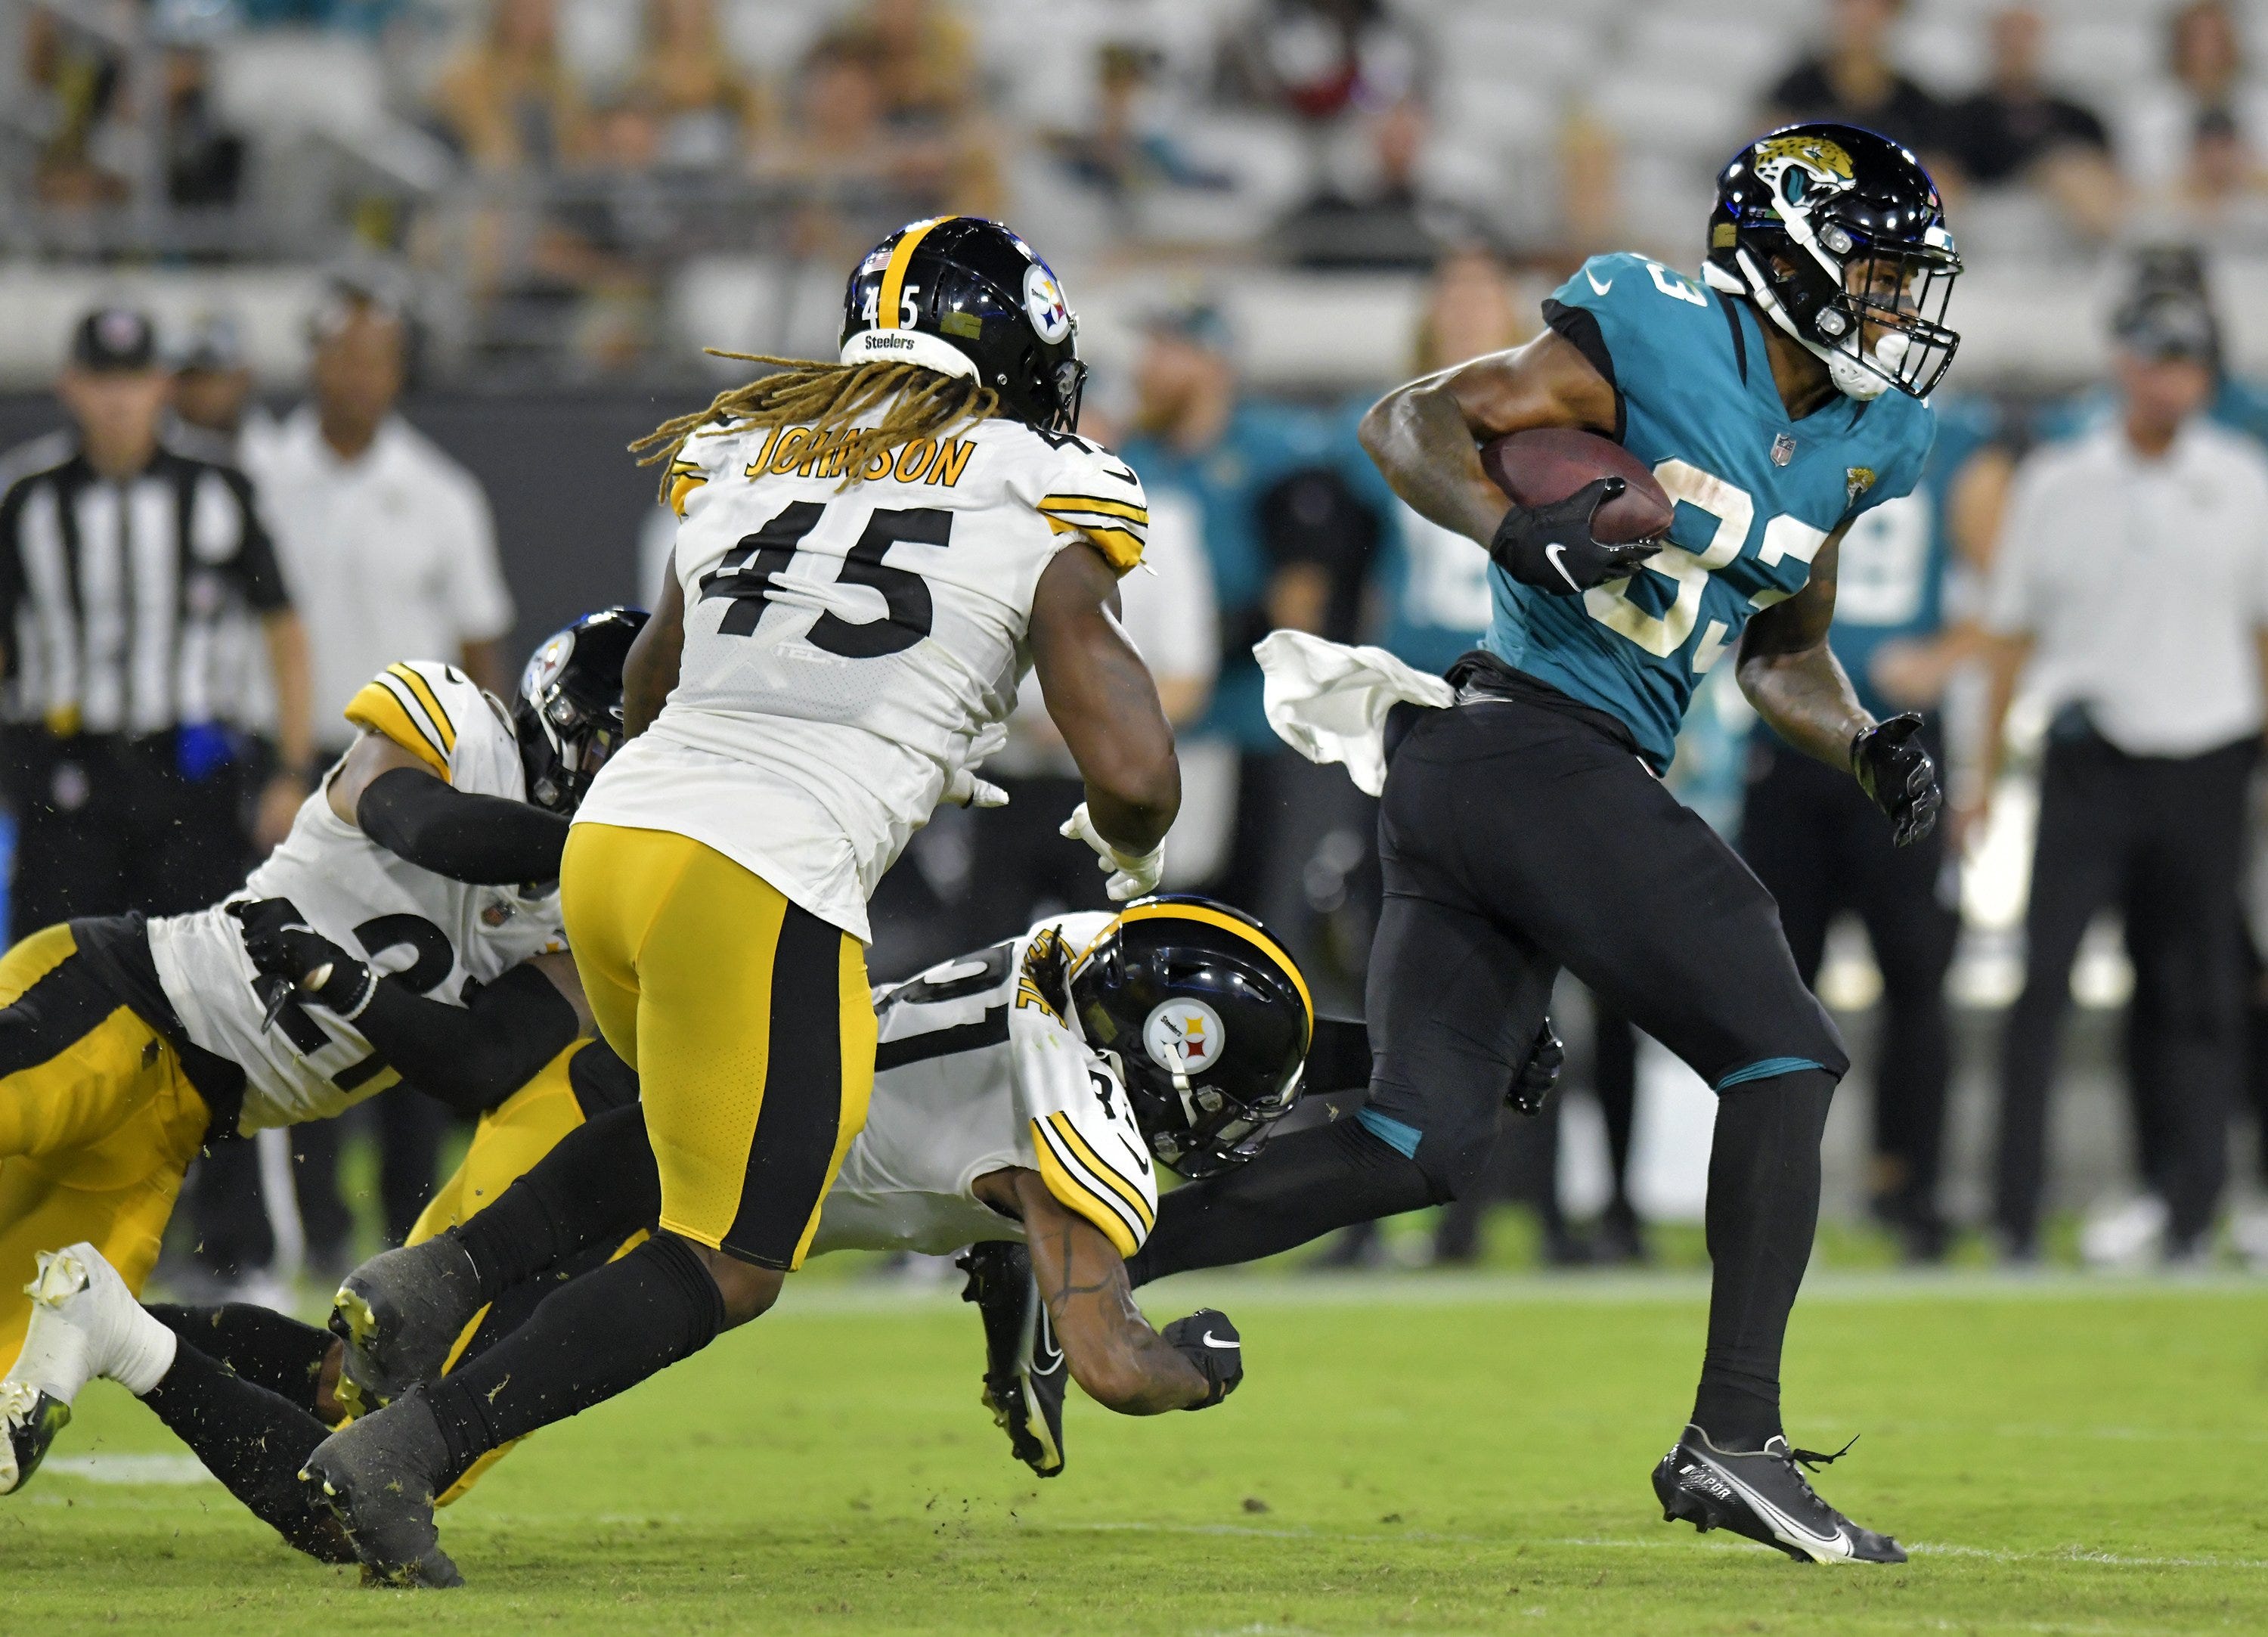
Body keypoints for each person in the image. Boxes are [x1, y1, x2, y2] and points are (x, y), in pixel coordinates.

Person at [296, 215, 1182, 1587]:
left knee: (691, 1127)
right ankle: (410, 1448)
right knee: (740, 1252)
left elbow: (654, 674)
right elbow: (1129, 764)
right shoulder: (1036, 479)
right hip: (759, 873)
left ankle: (449, 1272)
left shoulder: (753, 447)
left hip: (619, 846)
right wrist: (1132, 844)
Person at [1126, 125, 1958, 1564]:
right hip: (1528, 745)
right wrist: (1514, 530)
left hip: (1498, 774)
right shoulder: (1650, 331)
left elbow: (1781, 656)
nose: (1899, 308)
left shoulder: (1864, 439)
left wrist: (1864, 734)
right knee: (1787, 1051)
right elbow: (1410, 423)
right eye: (1879, 274)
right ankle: (1735, 1440)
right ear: (1794, 254)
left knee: (1415, 1140)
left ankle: (1069, 1257)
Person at [0, 606, 640, 1387]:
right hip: (125, 997)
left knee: (25, 1367)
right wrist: (604, 845)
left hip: (180, 1120)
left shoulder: (578, 914)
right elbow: (419, 822)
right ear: (570, 720)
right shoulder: (457, 719)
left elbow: (481, 1061)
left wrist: (356, 991)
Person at [1972, 284, 2268, 1267]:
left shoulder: (2241, 478)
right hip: (2088, 753)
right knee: (2042, 986)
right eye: (2155, 357)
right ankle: (2012, 1216)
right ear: (2123, 363)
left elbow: (2261, 635)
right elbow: (2010, 636)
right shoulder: (2059, 480)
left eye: (2186, 361)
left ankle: (2191, 1207)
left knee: (2197, 992)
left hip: (2209, 754)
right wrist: (1981, 774)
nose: (2169, 379)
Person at [244, 281, 519, 1260]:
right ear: (315, 362)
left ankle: (406, 1227)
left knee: (414, 986)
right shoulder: (258, 474)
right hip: (295, 760)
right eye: (345, 356)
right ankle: (307, 1232)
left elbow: (483, 643)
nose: (360, 376)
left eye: (377, 358)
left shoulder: (441, 493)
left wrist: (487, 788)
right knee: (292, 987)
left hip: (414, 778)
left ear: (399, 370)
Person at [1737, 400, 2007, 1264]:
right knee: (1774, 987)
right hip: (1785, 742)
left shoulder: (1958, 440)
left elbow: (2013, 592)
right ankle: (1774, 1189)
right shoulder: (1772, 420)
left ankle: (1910, 1187)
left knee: (1916, 977)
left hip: (1896, 745)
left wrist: (1940, 657)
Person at [0, 305, 314, 943]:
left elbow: (283, 629)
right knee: (51, 982)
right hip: (64, 769)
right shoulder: (27, 495)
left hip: (188, 776)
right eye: (102, 380)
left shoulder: (220, 486)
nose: (118, 400)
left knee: (198, 985)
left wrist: (290, 770)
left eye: (133, 379)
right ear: (70, 385)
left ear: (161, 384)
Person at [1943, 7, 2121, 241]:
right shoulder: (1958, 117)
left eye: (2025, 34)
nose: (2016, 45)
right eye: (2007, 33)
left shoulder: (2080, 118)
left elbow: (2109, 182)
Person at [1766, 0, 1950, 164]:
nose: (1861, 18)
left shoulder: (1918, 107)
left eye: (1874, 7)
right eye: (1851, 5)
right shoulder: (1797, 90)